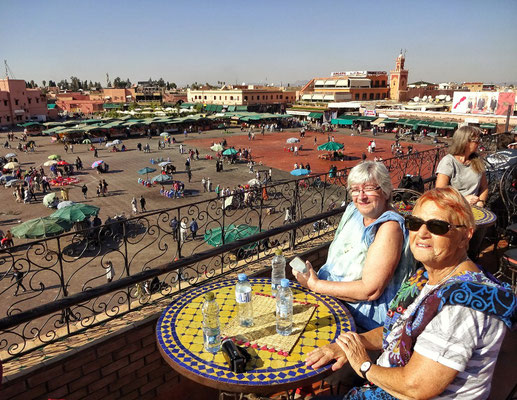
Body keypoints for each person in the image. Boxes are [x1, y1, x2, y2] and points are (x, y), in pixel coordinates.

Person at [306, 187, 516, 399]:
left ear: (465, 235)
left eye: (437, 226)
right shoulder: (427, 278)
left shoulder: (464, 305)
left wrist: (364, 365)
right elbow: (396, 330)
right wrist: (352, 344)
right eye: (415, 223)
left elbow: (416, 387)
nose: (422, 233)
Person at [293, 162, 414, 331]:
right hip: (332, 298)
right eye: (355, 190)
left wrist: (315, 285)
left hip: (361, 318)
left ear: (386, 191)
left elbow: (370, 290)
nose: (361, 196)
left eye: (369, 189)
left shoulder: (389, 227)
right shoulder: (353, 211)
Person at [436, 126, 488, 207]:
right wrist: (462, 199)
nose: (479, 143)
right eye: (477, 141)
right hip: (454, 207)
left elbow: (484, 187)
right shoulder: (448, 161)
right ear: (465, 142)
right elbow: (440, 192)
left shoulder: (477, 160)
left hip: (474, 208)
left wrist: (481, 202)